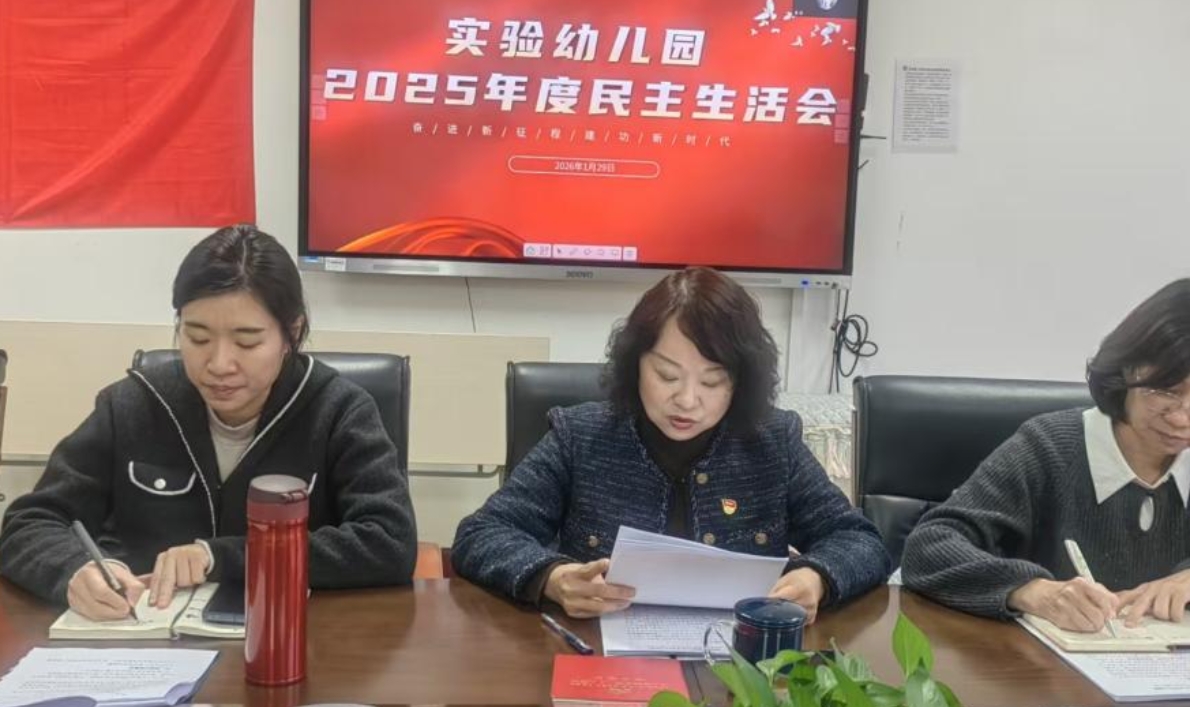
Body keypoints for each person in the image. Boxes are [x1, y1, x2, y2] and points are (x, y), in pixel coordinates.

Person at [0, 225, 418, 619]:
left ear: (291, 334)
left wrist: (220, 556)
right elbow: (28, 524)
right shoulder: (133, 405)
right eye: (197, 337)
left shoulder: (338, 411)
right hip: (141, 639)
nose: (219, 364)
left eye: (247, 342)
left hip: (289, 639)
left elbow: (389, 542)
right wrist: (73, 569)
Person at [454, 267, 889, 622]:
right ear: (634, 365)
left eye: (712, 381)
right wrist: (552, 577)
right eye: (666, 375)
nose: (686, 400)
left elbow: (860, 541)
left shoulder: (772, 442)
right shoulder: (581, 436)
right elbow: (481, 534)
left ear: (740, 382)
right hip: (602, 658)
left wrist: (816, 578)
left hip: (742, 668)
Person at [902, 278, 1190, 631]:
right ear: (1128, 370)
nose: (1182, 417)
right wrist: (1033, 591)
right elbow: (930, 546)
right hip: (1046, 683)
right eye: (1166, 390)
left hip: (1177, 684)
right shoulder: (1048, 447)